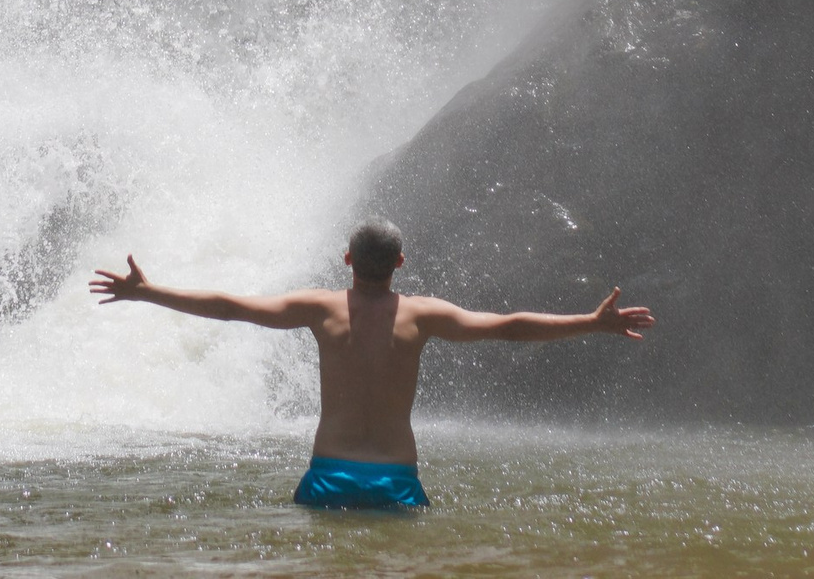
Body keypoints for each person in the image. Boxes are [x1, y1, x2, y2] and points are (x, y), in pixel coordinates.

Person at [89, 215, 653, 511]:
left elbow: (230, 307)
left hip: (328, 475)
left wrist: (149, 292)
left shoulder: (319, 308)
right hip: (395, 480)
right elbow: (509, 328)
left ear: (347, 259)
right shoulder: (423, 316)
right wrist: (591, 321)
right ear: (401, 262)